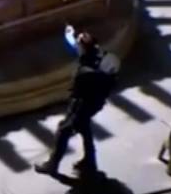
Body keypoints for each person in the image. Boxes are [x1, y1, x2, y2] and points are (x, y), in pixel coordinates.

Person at [35, 26, 119, 176]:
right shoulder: (106, 57)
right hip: (94, 102)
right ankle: (89, 163)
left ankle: (53, 165)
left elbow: (81, 90)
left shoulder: (86, 70)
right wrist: (69, 33)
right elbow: (112, 74)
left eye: (80, 45)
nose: (77, 47)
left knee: (64, 130)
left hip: (84, 104)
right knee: (84, 129)